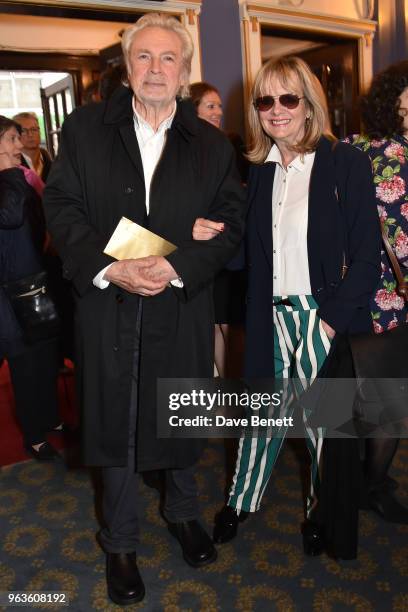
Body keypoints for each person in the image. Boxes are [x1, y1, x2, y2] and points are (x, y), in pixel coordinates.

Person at [43, 13, 245, 607]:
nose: (156, 69)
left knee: (178, 409)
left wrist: (177, 263)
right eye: (144, 58)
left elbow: (230, 224)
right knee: (119, 419)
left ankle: (182, 513)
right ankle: (121, 543)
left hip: (180, 303)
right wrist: (113, 268)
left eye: (168, 59)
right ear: (127, 67)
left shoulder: (211, 143)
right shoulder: (83, 130)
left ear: (184, 71)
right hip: (108, 305)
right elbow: (63, 209)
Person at [193, 56, 381, 559]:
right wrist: (207, 235)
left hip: (318, 316)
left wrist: (330, 319)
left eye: (288, 98)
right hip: (266, 315)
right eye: (265, 100)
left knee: (321, 426)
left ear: (308, 104)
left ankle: (320, 512)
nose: (276, 110)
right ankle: (241, 501)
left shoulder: (344, 162)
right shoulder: (258, 171)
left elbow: (367, 258)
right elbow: (247, 254)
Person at [346, 60, 408, 524]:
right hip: (374, 294)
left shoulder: (352, 148)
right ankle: (369, 485)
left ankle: (370, 482)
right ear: (396, 102)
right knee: (382, 400)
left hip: (372, 293)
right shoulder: (357, 150)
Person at [0, 116, 61, 461]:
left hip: (33, 283)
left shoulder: (18, 179)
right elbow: (9, 216)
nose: (19, 145)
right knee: (23, 364)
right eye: (10, 139)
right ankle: (34, 436)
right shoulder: (10, 181)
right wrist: (11, 174)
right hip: (6, 295)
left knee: (45, 357)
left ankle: (50, 418)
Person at [190, 81, 247, 377]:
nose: (218, 112)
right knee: (211, 324)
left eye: (220, 106)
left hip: (230, 249)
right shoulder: (183, 147)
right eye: (210, 106)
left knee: (228, 324)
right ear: (193, 109)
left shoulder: (226, 144)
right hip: (200, 250)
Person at [13, 112, 52, 182]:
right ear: (15, 136)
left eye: (34, 129)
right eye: (23, 131)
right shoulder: (13, 165)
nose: (30, 134)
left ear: (40, 132)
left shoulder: (49, 160)